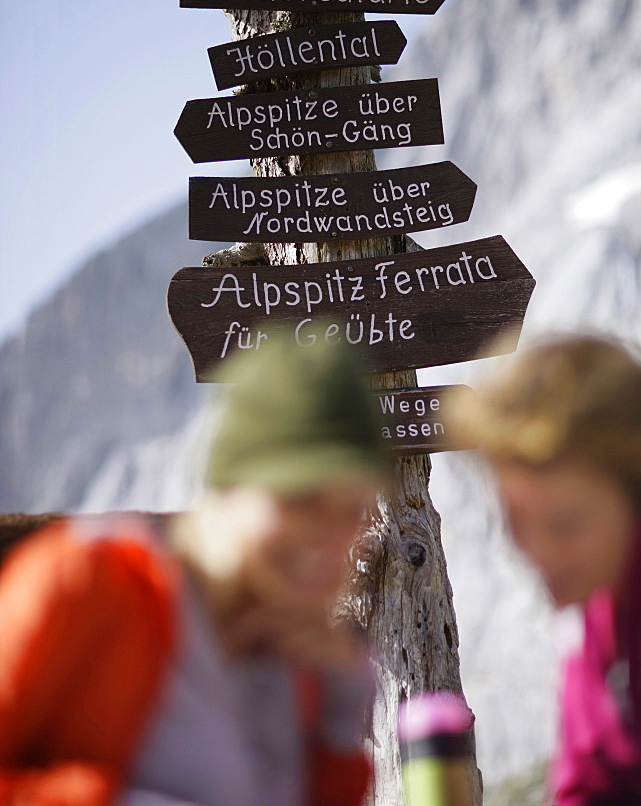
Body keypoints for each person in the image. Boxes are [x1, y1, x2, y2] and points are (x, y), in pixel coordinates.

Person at [0, 326, 391, 806]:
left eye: (350, 509)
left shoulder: (302, 664)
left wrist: (340, 712)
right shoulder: (87, 583)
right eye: (301, 497)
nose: (330, 538)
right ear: (227, 484)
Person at [447, 334, 641, 805]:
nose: (539, 554)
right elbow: (587, 780)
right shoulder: (596, 607)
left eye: (565, 525)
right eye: (515, 523)